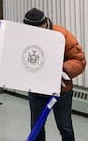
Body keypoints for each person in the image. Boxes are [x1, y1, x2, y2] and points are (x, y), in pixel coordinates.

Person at [23, 8, 86, 141]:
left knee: (64, 126)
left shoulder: (62, 35)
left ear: (45, 23)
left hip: (60, 90)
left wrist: (64, 69)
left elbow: (79, 60)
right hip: (37, 89)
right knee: (36, 127)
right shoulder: (26, 35)